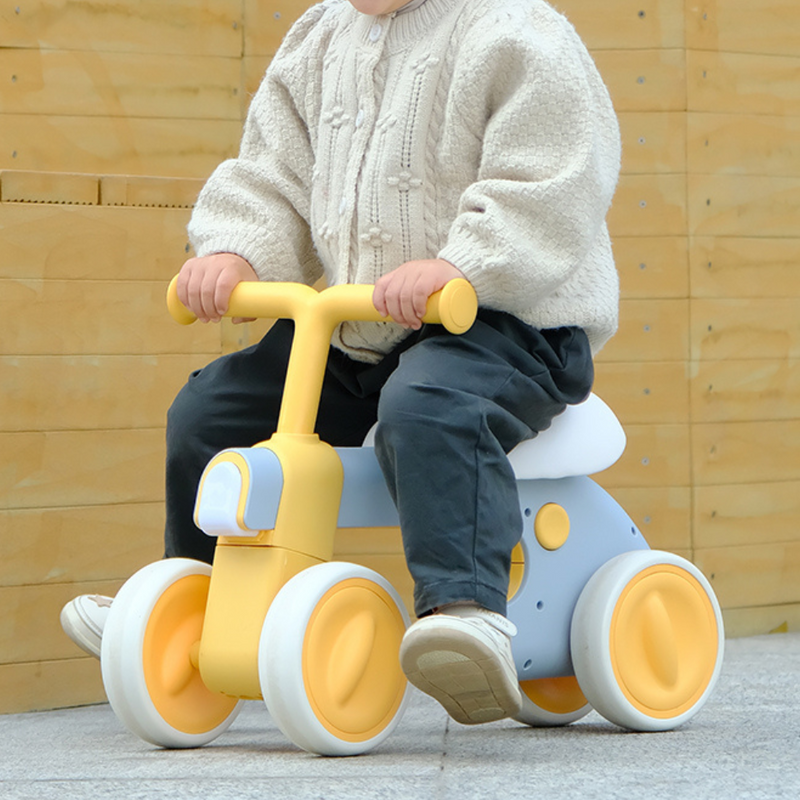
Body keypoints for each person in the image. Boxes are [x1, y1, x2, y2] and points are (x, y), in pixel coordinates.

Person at [61, 0, 620, 725]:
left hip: (510, 318)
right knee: (215, 411)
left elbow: (551, 178)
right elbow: (274, 171)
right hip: (365, 322)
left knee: (431, 405)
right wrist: (235, 246)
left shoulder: (513, 30)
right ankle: (195, 598)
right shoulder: (321, 36)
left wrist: (461, 264)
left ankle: (466, 611)